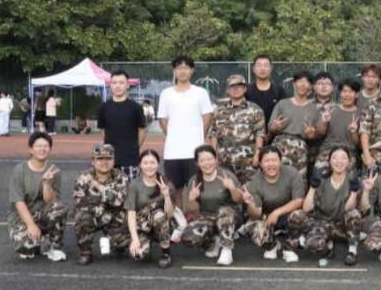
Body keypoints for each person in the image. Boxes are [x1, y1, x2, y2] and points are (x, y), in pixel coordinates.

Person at [290, 146, 363, 267]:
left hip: (342, 225)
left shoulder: (353, 180)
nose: (339, 161)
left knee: (354, 214)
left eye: (343, 158)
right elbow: (306, 208)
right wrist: (313, 187)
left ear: (349, 162)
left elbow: (349, 209)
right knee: (312, 244)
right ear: (329, 161)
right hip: (323, 222)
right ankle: (328, 250)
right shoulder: (321, 179)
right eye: (335, 158)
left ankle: (352, 251)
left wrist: (354, 192)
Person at [157, 56, 214, 198]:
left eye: (186, 68)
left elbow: (207, 116)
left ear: (192, 70)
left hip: (194, 152)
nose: (182, 71)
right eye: (179, 68)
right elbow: (162, 119)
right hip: (172, 152)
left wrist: (200, 135)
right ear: (174, 71)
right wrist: (172, 135)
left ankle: (193, 214)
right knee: (174, 191)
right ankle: (176, 213)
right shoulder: (166, 94)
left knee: (195, 190)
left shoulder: (200, 93)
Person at [178, 145, 244, 266]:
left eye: (209, 159)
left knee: (224, 211)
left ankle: (227, 249)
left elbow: (239, 200)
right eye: (202, 160)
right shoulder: (194, 180)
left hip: (230, 218)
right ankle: (213, 242)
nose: (207, 163)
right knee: (188, 236)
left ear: (216, 160)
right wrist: (192, 198)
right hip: (208, 218)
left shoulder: (226, 175)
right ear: (197, 163)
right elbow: (190, 210)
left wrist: (232, 189)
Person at [239, 146, 306, 262]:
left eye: (274, 160)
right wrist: (250, 203)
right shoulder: (255, 181)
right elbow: (256, 214)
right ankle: (271, 245)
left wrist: (277, 212)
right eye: (267, 161)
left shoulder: (292, 173)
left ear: (280, 161)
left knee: (300, 215)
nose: (271, 164)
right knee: (251, 227)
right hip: (267, 218)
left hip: (288, 214)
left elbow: (299, 201)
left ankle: (289, 247)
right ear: (260, 164)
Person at [8, 132, 67, 261]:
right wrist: (30, 225)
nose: (42, 149)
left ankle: (54, 245)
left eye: (46, 146)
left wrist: (47, 184)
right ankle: (41, 239)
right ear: (30, 149)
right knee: (26, 248)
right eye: (39, 146)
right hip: (22, 217)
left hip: (42, 213)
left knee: (60, 208)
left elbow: (52, 201)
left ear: (50, 149)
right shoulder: (19, 170)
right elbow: (18, 202)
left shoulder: (54, 171)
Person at [72, 144, 131, 265]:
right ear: (93, 161)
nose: (104, 162)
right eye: (100, 159)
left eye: (108, 158)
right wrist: (101, 211)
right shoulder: (83, 177)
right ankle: (85, 252)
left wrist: (99, 187)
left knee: (126, 238)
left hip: (116, 217)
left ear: (113, 160)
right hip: (94, 215)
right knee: (82, 217)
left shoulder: (121, 177)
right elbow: (79, 203)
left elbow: (119, 201)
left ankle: (117, 245)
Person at [209, 74, 265, 185]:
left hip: (247, 161)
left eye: (239, 86)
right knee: (226, 190)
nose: (236, 89)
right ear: (227, 90)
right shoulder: (219, 111)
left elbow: (260, 133)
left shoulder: (254, 109)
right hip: (224, 161)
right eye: (232, 86)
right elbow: (213, 134)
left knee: (249, 191)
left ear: (245, 89)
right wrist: (214, 156)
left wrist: (258, 154)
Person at [126, 150, 175, 268]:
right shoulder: (134, 185)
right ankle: (147, 240)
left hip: (162, 224)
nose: (149, 166)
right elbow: (131, 214)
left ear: (158, 164)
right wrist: (135, 239)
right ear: (140, 165)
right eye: (145, 163)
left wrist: (166, 195)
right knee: (137, 254)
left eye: (152, 162)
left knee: (159, 215)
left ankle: (165, 253)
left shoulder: (165, 183)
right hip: (142, 226)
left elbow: (169, 214)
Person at [268, 70, 319, 177]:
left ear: (311, 86)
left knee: (299, 179)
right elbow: (270, 128)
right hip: (281, 144)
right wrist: (275, 127)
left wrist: (311, 135)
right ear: (294, 84)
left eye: (306, 82)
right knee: (277, 177)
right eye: (300, 81)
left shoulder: (314, 109)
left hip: (301, 147)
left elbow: (315, 134)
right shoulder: (282, 104)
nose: (303, 85)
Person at [98, 70, 147, 179]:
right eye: (114, 83)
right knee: (110, 189)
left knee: (131, 189)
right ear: (110, 85)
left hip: (130, 160)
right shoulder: (103, 107)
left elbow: (142, 130)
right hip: (109, 160)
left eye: (121, 82)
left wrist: (134, 147)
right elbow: (103, 130)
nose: (118, 86)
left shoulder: (136, 107)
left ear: (127, 85)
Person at [314, 80, 361, 179]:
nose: (347, 95)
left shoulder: (360, 113)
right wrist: (323, 122)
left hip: (349, 152)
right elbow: (319, 132)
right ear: (340, 93)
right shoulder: (331, 109)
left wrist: (353, 132)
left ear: (357, 94)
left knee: (349, 180)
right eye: (344, 91)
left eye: (351, 91)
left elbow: (357, 143)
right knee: (318, 178)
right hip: (327, 150)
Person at [245, 54, 287, 122]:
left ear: (271, 68)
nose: (262, 69)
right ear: (254, 69)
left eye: (266, 65)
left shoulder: (280, 91)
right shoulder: (246, 90)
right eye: (259, 65)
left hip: (274, 128)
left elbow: (284, 113)